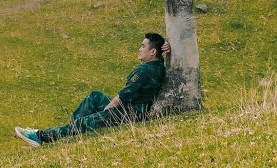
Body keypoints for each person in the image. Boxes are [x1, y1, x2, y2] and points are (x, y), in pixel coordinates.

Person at [14, 32, 170, 147]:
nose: (139, 49)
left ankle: (40, 136)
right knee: (95, 96)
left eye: (143, 46)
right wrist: (168, 48)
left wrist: (106, 110)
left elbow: (122, 97)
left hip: (127, 115)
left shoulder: (143, 72)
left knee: (85, 122)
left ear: (152, 51)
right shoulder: (159, 67)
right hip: (133, 112)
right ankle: (71, 131)